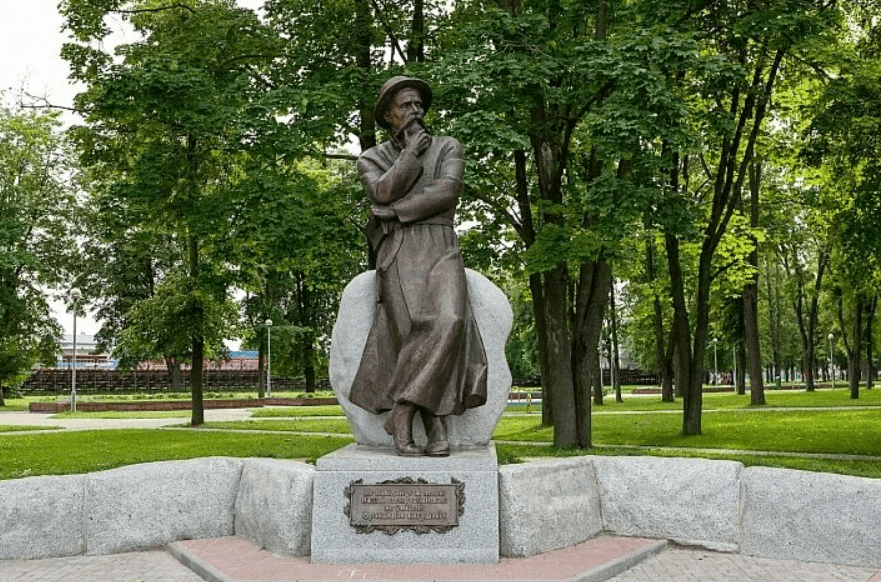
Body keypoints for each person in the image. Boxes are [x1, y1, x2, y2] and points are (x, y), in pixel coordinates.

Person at [348, 76, 488, 457]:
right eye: (405, 106)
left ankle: (403, 409)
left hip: (440, 245)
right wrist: (409, 156)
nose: (416, 111)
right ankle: (434, 423)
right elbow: (380, 191)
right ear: (388, 116)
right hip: (397, 252)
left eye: (418, 104)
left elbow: (448, 191)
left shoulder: (447, 147)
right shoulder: (372, 158)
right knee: (410, 332)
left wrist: (394, 212)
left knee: (449, 322)